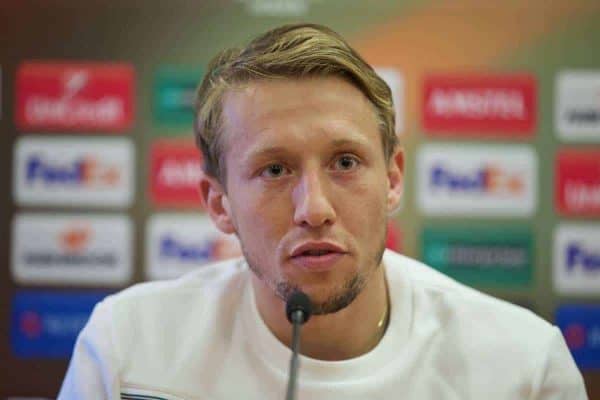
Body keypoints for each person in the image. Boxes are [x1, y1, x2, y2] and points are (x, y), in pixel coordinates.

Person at [58, 23, 587, 400]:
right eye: (274, 170)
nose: (314, 208)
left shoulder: (524, 367)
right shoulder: (126, 345)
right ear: (219, 204)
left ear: (394, 178)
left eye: (345, 161)